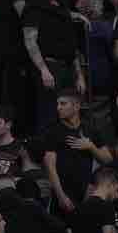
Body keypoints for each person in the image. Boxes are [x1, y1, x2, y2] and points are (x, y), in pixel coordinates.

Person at [40, 88, 111, 220]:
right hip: (62, 192)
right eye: (58, 104)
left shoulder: (91, 129)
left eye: (63, 104)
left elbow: (108, 160)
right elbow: (50, 166)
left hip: (86, 192)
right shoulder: (53, 131)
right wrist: (60, 195)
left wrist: (91, 147)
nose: (58, 108)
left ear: (77, 106)